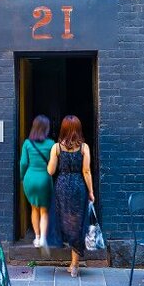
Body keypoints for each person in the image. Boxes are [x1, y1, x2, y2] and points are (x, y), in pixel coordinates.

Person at [47, 115, 94, 277]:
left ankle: (72, 260)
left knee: (65, 220)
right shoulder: (84, 147)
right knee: (77, 222)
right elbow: (86, 171)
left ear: (63, 129)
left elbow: (51, 171)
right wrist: (91, 191)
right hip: (78, 186)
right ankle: (74, 264)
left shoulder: (56, 148)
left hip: (61, 186)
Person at [19, 115, 54, 248]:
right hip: (44, 179)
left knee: (34, 208)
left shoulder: (27, 143)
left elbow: (23, 163)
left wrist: (22, 178)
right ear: (46, 128)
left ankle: (37, 238)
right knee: (44, 210)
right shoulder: (51, 144)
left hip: (30, 178)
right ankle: (44, 238)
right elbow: (53, 165)